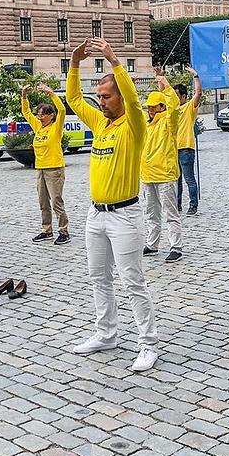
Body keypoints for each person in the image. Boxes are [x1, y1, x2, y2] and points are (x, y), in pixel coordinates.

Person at [66, 37, 159, 372]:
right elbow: (74, 100)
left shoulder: (134, 124)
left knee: (132, 280)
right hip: (96, 214)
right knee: (98, 278)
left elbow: (134, 102)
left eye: (107, 96)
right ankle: (106, 333)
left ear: (120, 95)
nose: (101, 102)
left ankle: (148, 343)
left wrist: (114, 60)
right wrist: (75, 63)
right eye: (101, 97)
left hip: (125, 215)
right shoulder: (100, 122)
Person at [141, 67, 183, 263]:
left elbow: (174, 106)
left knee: (170, 213)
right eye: (148, 106)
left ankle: (176, 246)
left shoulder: (169, 122)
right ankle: (152, 244)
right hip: (147, 175)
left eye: (154, 106)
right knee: (150, 213)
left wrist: (166, 86)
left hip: (165, 175)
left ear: (161, 107)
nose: (150, 109)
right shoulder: (146, 122)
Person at [21, 83, 70, 245]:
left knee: (56, 201)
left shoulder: (56, 128)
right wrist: (24, 96)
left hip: (54, 169)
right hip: (40, 169)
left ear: (51, 116)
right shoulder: (39, 128)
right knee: (43, 201)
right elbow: (26, 113)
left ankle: (64, 231)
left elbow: (62, 110)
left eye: (42, 115)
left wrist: (51, 93)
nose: (39, 117)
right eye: (39, 115)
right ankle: (46, 230)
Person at [175, 68, 203, 216]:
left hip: (186, 148)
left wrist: (195, 76)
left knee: (189, 179)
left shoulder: (189, 107)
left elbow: (198, 93)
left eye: (176, 95)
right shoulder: (172, 109)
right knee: (176, 181)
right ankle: (177, 204)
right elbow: (162, 97)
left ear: (184, 96)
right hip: (173, 149)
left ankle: (193, 205)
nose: (174, 98)